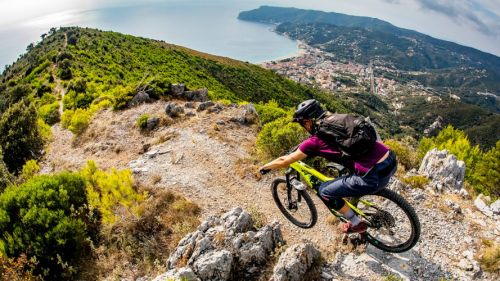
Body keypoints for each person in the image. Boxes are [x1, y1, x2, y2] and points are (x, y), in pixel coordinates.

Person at [259, 99, 397, 234]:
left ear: (308, 122)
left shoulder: (315, 142)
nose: (304, 127)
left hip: (373, 177)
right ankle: (352, 205)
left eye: (303, 124)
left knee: (325, 191)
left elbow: (285, 161)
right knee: (344, 178)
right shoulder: (337, 119)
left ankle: (355, 223)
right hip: (390, 160)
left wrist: (265, 167)